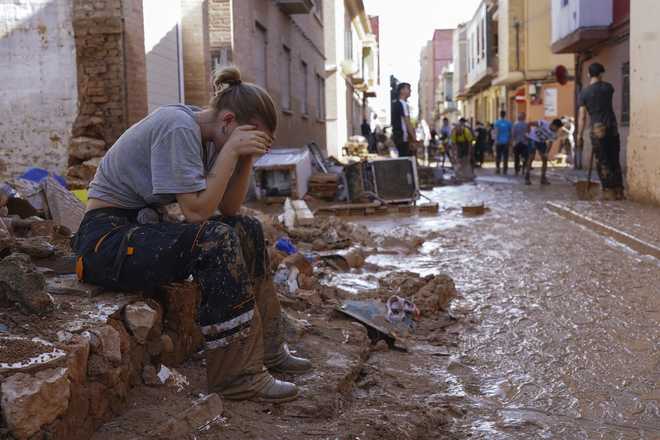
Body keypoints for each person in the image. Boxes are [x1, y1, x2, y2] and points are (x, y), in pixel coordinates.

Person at [72, 67, 312, 403]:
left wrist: (244, 159)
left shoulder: (212, 136)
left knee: (246, 228)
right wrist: (231, 152)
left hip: (141, 229)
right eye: (249, 136)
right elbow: (196, 213)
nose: (248, 144)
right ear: (228, 121)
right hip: (105, 241)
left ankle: (270, 349)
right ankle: (237, 377)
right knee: (214, 238)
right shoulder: (178, 127)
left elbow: (229, 209)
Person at [577, 62, 625, 200]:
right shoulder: (608, 88)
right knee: (614, 159)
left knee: (603, 161)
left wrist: (579, 135)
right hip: (612, 128)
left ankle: (608, 191)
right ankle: (619, 190)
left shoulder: (584, 93)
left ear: (588, 74)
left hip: (597, 130)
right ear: (601, 74)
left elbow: (582, 116)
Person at [525, 118, 564, 185]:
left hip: (541, 142)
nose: (557, 130)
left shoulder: (554, 134)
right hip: (533, 139)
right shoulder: (543, 123)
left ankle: (543, 178)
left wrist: (546, 152)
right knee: (531, 157)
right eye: (557, 128)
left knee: (545, 159)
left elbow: (550, 143)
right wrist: (527, 132)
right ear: (553, 125)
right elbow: (529, 123)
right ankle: (527, 177)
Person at [391, 82, 416, 157]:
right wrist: (414, 138)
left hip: (398, 136)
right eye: (408, 89)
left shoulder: (396, 104)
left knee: (402, 158)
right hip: (403, 137)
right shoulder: (403, 104)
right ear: (402, 91)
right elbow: (407, 122)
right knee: (406, 159)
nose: (410, 91)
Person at [450, 117, 475, 182]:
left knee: (467, 160)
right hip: (460, 146)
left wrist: (469, 153)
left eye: (460, 132)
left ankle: (469, 174)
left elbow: (470, 143)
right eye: (458, 132)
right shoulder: (454, 133)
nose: (459, 132)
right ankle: (461, 175)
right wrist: (453, 155)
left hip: (467, 145)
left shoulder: (466, 132)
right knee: (460, 160)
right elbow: (453, 145)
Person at [494, 111, 513, 175]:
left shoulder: (497, 122)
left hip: (499, 142)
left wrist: (496, 141)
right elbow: (510, 133)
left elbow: (497, 132)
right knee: (505, 156)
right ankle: (505, 169)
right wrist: (510, 141)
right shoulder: (508, 123)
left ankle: (498, 168)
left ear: (500, 115)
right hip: (506, 142)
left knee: (498, 156)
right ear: (505, 115)